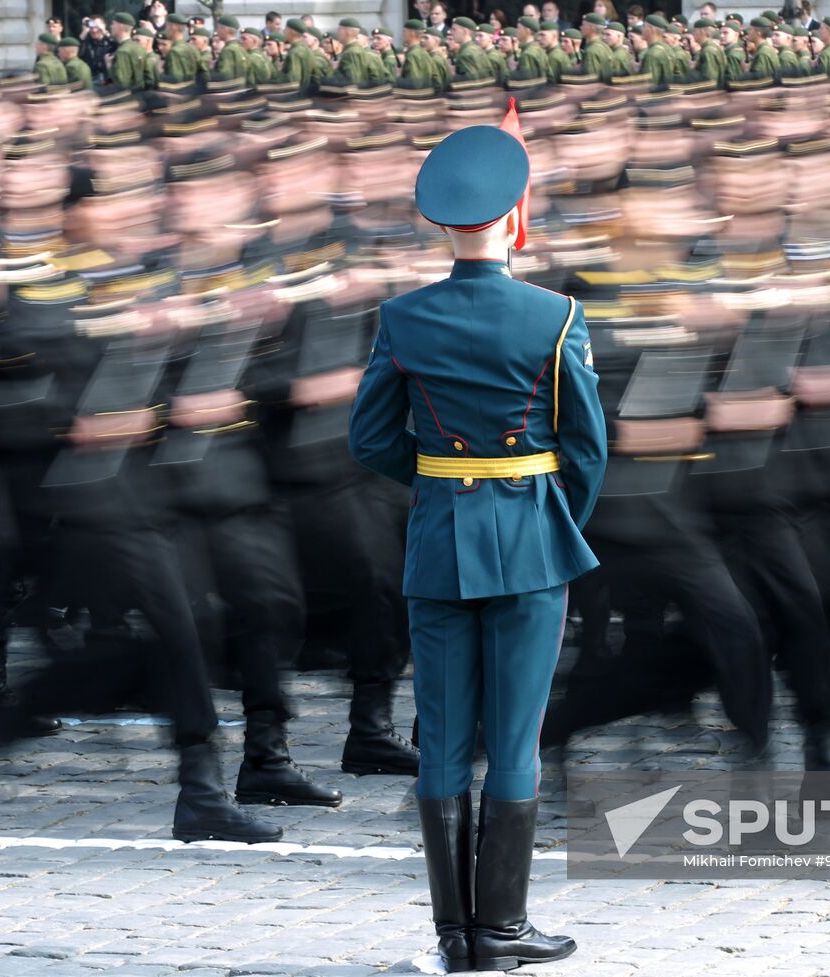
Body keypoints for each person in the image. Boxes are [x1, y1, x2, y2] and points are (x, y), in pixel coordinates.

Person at [350, 123, 605, 973]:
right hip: (530, 537)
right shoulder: (556, 315)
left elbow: (370, 437)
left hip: (437, 540)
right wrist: (545, 508)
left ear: (443, 226)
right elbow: (587, 449)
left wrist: (436, 484)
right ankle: (501, 927)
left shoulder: (402, 316)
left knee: (445, 740)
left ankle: (456, 936)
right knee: (518, 738)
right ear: (513, 217)